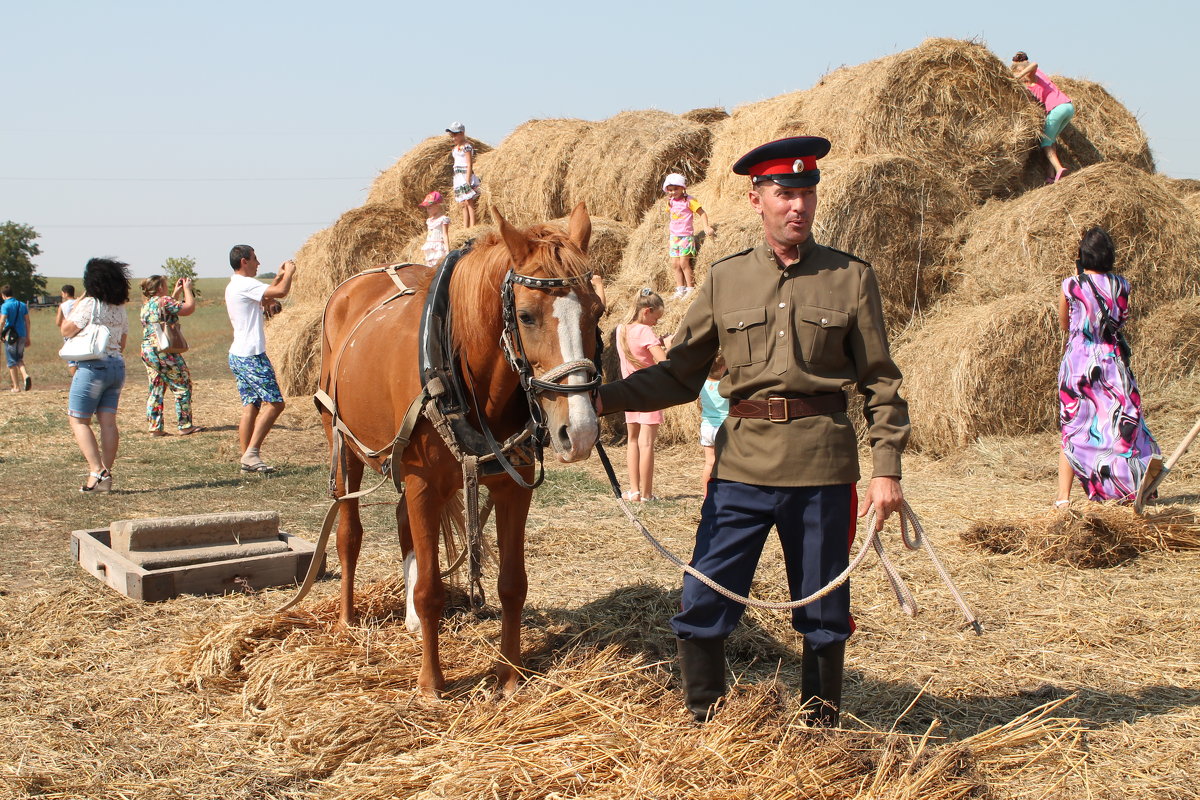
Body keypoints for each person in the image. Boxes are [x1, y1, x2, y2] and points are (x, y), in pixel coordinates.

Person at [597, 136, 909, 726]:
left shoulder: (850, 278)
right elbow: (678, 376)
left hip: (822, 468)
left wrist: (887, 470)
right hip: (740, 468)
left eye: (807, 194)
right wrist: (598, 399)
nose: (798, 206)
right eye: (784, 193)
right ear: (756, 200)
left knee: (823, 608)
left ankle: (821, 730)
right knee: (702, 598)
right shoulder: (724, 280)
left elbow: (881, 383)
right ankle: (705, 724)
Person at [1056, 227, 1159, 506]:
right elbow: (1121, 321)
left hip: (1079, 364)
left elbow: (1066, 324)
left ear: (1082, 255)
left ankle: (1063, 498)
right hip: (1112, 362)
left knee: (1074, 426)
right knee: (1122, 426)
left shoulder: (1071, 285)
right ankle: (1132, 488)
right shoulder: (1122, 285)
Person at [60, 258, 131, 492]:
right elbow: (122, 342)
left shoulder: (90, 304)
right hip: (116, 367)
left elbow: (66, 329)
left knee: (79, 419)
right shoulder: (119, 307)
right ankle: (105, 476)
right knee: (108, 422)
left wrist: (79, 301)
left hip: (92, 367)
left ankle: (96, 470)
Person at [226, 245, 295, 473]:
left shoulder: (235, 285)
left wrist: (278, 275)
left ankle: (247, 459)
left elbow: (267, 295)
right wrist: (290, 273)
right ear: (244, 261)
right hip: (251, 355)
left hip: (238, 354)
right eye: (255, 259)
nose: (258, 263)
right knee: (276, 403)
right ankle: (252, 452)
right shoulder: (245, 284)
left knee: (251, 406)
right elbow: (281, 293)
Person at [615, 288, 670, 503]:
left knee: (633, 441)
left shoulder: (621, 330)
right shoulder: (646, 332)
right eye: (656, 318)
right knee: (647, 444)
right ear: (647, 311)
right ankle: (647, 494)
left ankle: (635, 491)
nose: (656, 323)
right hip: (650, 392)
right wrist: (669, 347)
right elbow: (663, 364)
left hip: (630, 391)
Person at [139, 275, 201, 437]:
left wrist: (176, 292)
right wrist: (187, 289)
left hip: (148, 350)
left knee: (156, 386)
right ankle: (185, 424)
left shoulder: (147, 304)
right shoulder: (164, 300)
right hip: (163, 350)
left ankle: (155, 427)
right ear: (160, 288)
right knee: (182, 383)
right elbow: (188, 308)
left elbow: (165, 309)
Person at [1011, 52, 1076, 184]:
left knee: (1045, 142)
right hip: (1068, 107)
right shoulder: (1036, 79)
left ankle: (1059, 169)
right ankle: (1051, 175)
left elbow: (1034, 64)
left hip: (1057, 109)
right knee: (1051, 140)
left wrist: (1019, 75)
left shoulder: (1032, 74)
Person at [662, 173, 715, 299]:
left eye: (676, 189)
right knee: (675, 264)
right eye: (670, 190)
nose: (673, 192)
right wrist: (669, 237)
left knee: (684, 263)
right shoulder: (671, 202)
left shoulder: (689, 200)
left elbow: (702, 213)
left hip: (685, 236)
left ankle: (690, 288)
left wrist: (706, 227)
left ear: (682, 188)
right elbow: (671, 219)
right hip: (674, 237)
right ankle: (680, 289)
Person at [697, 352, 729, 498]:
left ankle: (707, 495)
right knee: (727, 464)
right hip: (724, 428)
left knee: (709, 463)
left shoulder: (702, 384)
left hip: (707, 427)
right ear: (722, 368)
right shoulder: (726, 386)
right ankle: (725, 494)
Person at [447, 122, 480, 228]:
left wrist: (468, 179)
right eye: (452, 135)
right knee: (463, 203)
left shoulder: (467, 147)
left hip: (465, 175)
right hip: (458, 176)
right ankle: (465, 227)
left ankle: (472, 226)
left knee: (469, 201)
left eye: (455, 135)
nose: (454, 138)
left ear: (462, 133)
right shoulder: (455, 148)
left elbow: (469, 163)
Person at [1, 285, 31, 392]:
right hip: (22, 334)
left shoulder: (5, 306)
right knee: (19, 358)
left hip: (11, 336)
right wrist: (28, 336)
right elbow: (27, 321)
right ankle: (25, 375)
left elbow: (2, 320)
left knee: (11, 361)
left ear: (3, 295)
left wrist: (1, 333)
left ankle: (16, 387)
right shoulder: (22, 305)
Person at [419, 190, 451, 267]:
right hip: (430, 246)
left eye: (430, 207)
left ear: (437, 205)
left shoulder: (443, 219)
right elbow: (429, 234)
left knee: (438, 266)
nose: (428, 210)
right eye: (427, 208)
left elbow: (445, 234)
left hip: (438, 246)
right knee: (430, 266)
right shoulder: (429, 221)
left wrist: (447, 250)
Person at [55, 284, 79, 377]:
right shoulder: (80, 302)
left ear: (65, 293)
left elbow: (58, 322)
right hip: (81, 331)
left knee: (72, 359)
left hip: (69, 333)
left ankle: (75, 379)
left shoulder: (63, 305)